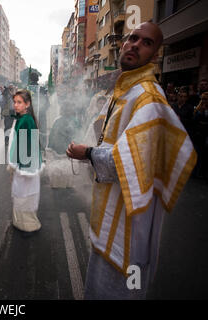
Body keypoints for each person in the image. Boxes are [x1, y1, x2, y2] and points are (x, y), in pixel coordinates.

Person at [66, 22, 196, 299]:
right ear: (123, 43)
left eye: (146, 42)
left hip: (128, 229)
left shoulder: (148, 99)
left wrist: (87, 153)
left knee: (123, 290)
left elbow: (125, 161)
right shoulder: (126, 91)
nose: (135, 44)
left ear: (156, 54)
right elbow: (103, 132)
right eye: (132, 38)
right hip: (109, 218)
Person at [7, 90, 43, 234]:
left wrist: (13, 165)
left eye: (19, 102)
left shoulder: (25, 120)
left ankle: (27, 225)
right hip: (25, 164)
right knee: (23, 194)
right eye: (14, 102)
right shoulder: (22, 118)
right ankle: (23, 223)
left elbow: (21, 146)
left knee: (24, 195)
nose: (16, 105)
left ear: (27, 104)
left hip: (25, 165)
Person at [193, 92, 208, 179]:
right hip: (198, 135)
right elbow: (194, 120)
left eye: (206, 99)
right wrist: (201, 111)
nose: (204, 101)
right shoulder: (198, 109)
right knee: (197, 154)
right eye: (203, 99)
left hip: (205, 136)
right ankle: (196, 172)